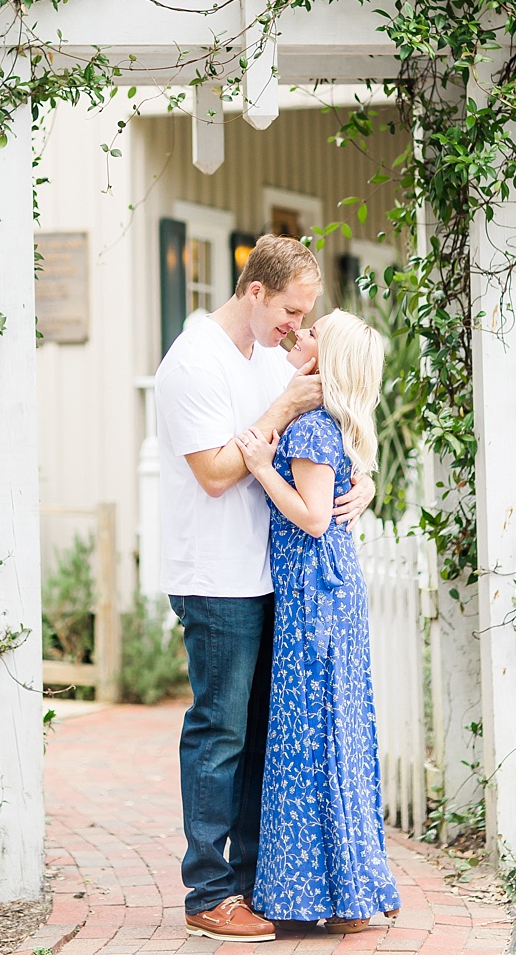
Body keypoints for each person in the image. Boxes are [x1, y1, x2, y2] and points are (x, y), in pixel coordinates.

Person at [154, 235, 374, 945]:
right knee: (219, 731)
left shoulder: (263, 357)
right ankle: (208, 890)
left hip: (271, 574)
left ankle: (255, 883)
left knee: (261, 737)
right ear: (255, 292)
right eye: (289, 310)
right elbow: (218, 471)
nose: (296, 327)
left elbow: (332, 431)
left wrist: (361, 482)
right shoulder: (194, 363)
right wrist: (279, 409)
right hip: (217, 578)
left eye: (304, 314)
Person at [235, 310, 402, 935]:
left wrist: (255, 466)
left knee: (312, 734)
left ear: (320, 362)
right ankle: (351, 892)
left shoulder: (308, 430)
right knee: (337, 729)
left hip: (312, 594)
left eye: (309, 334)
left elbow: (309, 517)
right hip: (331, 590)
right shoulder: (330, 426)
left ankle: (326, 896)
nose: (296, 335)